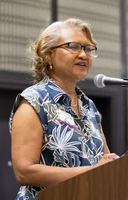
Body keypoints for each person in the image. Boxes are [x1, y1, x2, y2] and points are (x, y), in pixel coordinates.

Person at [9, 18, 119, 200]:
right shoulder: (33, 102)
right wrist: (91, 172)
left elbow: (103, 162)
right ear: (48, 54)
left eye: (88, 49)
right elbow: (24, 172)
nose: (83, 55)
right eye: (74, 47)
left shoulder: (88, 106)